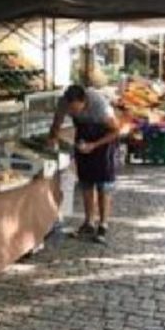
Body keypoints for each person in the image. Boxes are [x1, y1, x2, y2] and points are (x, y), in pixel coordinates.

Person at [50, 85, 121, 244]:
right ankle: (88, 222)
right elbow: (57, 122)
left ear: (84, 101)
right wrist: (53, 137)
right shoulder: (64, 103)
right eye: (71, 109)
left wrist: (94, 145)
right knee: (86, 182)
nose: (73, 112)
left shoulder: (99, 106)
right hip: (83, 136)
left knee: (104, 184)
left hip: (103, 139)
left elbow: (116, 130)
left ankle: (103, 224)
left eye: (76, 109)